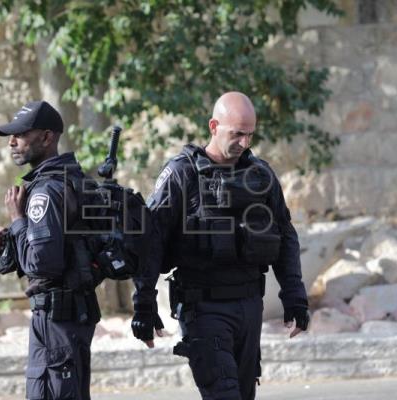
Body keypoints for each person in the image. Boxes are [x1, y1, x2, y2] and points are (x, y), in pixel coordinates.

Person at [131, 92, 309, 400]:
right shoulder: (181, 173)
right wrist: (144, 303)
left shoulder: (261, 175)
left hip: (249, 306)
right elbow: (151, 239)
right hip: (203, 309)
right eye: (237, 134)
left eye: (250, 135)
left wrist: (294, 296)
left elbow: (284, 235)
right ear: (214, 126)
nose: (245, 143)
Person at [0, 100, 99, 400]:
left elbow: (40, 264)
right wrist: (4, 240)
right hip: (71, 317)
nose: (12, 142)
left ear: (47, 138)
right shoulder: (73, 179)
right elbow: (45, 248)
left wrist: (17, 219)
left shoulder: (46, 191)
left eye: (21, 134)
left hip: (55, 322)